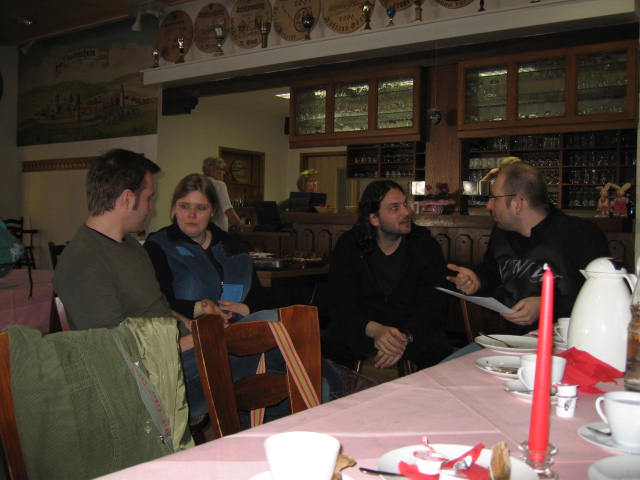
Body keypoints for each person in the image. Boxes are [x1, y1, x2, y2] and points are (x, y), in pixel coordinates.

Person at [144, 173, 342, 422]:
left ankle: (323, 403)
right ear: (173, 209)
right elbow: (156, 303)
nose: (191, 215)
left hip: (241, 334)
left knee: (282, 345)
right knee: (280, 332)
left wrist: (246, 308)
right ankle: (337, 392)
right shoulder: (159, 246)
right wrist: (200, 308)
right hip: (196, 347)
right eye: (184, 206)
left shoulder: (232, 247)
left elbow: (260, 299)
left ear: (213, 211)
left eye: (200, 208)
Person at [53, 149, 210, 420]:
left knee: (265, 331)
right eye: (148, 198)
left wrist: (198, 329)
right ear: (127, 199)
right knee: (267, 349)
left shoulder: (132, 247)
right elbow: (115, 350)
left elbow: (159, 307)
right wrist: (194, 342)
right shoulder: (84, 259)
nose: (151, 208)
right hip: (148, 379)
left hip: (177, 353)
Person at [447, 162, 610, 334]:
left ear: (517, 203)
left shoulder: (580, 234)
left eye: (495, 198)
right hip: (510, 340)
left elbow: (604, 294)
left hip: (566, 341)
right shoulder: (501, 233)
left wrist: (547, 305)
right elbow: (493, 273)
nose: (489, 205)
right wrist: (477, 280)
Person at [323, 179, 451, 370]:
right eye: (394, 208)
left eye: (405, 204)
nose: (406, 212)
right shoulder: (350, 245)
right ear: (374, 218)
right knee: (335, 336)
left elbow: (434, 303)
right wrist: (375, 330)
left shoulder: (424, 245)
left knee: (437, 345)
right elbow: (339, 301)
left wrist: (403, 338)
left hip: (411, 330)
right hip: (366, 327)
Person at [202, 156, 245, 232]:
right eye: (222, 169)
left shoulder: (200, 183)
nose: (224, 173)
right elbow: (228, 210)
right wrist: (241, 225)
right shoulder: (219, 185)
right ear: (213, 170)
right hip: (217, 231)